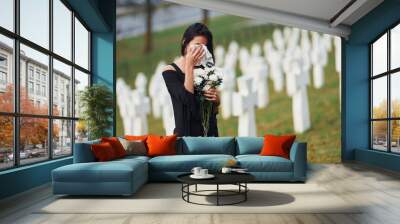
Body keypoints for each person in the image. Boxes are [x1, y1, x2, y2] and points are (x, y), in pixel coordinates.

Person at [162, 23, 220, 137]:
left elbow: (211, 110)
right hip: (187, 139)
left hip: (211, 135)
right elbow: (187, 100)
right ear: (185, 43)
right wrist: (189, 66)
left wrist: (217, 100)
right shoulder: (169, 72)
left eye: (204, 46)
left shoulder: (206, 68)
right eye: (197, 45)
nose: (201, 50)